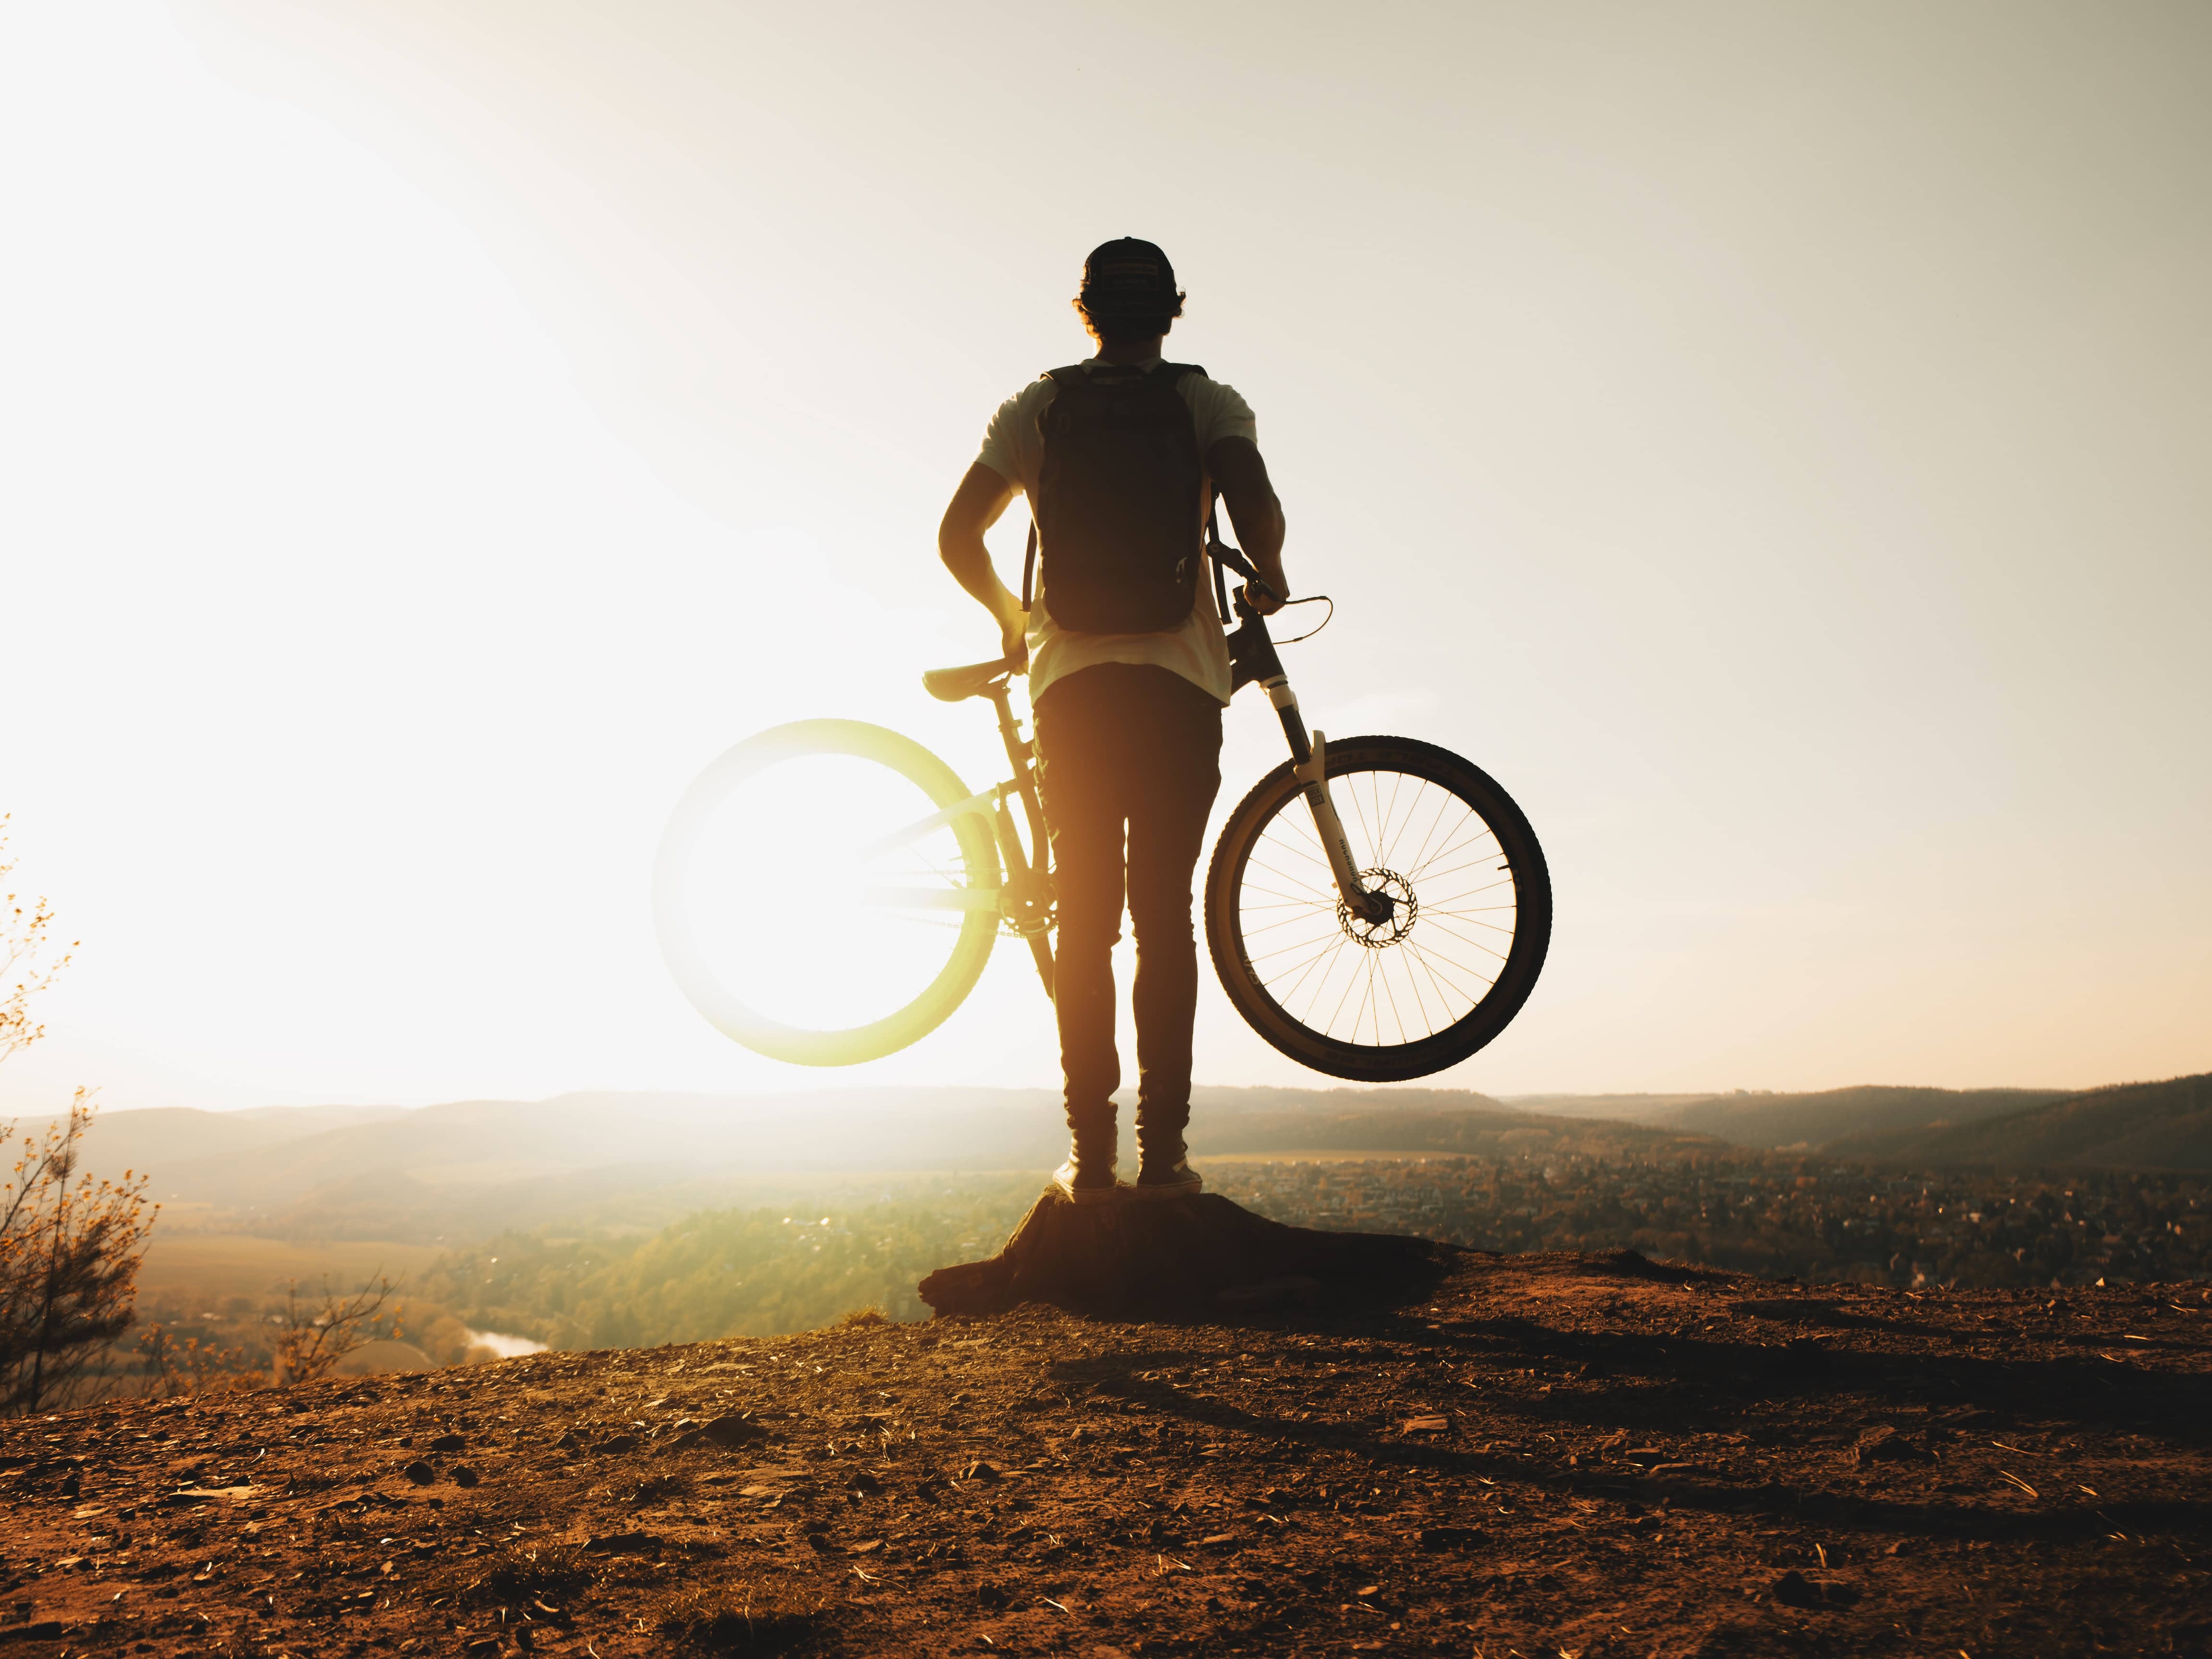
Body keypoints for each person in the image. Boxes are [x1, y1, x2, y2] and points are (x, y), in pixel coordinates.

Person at [937, 238, 1289, 1204]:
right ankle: (1164, 1156)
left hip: (1072, 689)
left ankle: (1091, 1163)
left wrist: (1018, 625)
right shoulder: (1207, 402)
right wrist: (1272, 572)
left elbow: (956, 536)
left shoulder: (1037, 409)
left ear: (1084, 311)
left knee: (1086, 916)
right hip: (1180, 682)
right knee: (1163, 918)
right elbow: (1251, 500)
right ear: (1172, 311)